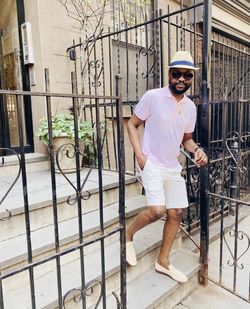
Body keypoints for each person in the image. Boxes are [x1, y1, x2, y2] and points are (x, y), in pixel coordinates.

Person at [126, 50, 208, 283]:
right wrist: (141, 157)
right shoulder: (153, 96)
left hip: (173, 166)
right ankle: (127, 235)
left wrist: (197, 150)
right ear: (169, 74)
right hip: (152, 162)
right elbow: (132, 125)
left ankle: (163, 262)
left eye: (187, 75)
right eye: (177, 74)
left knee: (176, 213)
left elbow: (187, 139)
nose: (181, 79)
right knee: (157, 210)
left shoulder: (190, 108)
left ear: (192, 78)